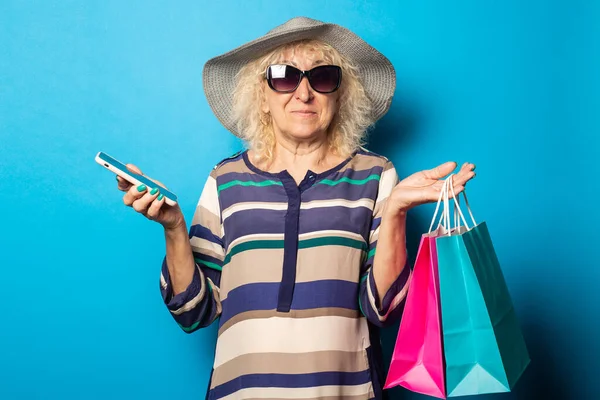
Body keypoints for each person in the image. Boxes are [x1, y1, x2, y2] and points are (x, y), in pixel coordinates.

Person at [117, 17, 475, 400]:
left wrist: (399, 209)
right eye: (284, 77)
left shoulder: (375, 175)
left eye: (322, 78)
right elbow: (193, 311)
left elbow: (382, 309)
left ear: (340, 96)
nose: (304, 93)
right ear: (263, 97)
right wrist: (173, 227)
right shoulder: (226, 179)